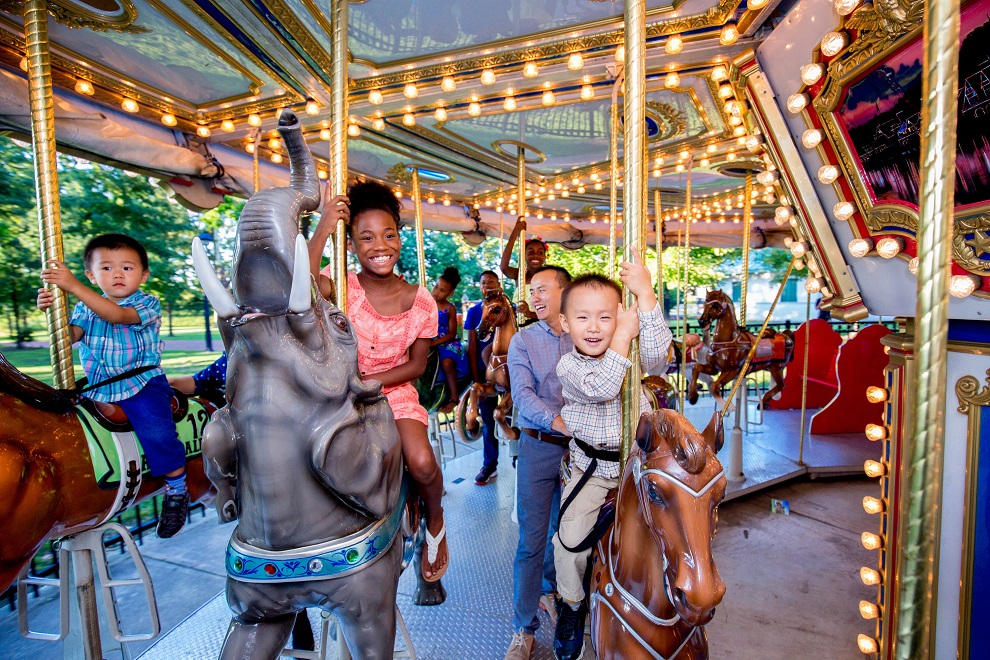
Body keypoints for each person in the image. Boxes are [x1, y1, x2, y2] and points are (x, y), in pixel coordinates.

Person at [309, 180, 449, 583]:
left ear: (400, 238)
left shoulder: (420, 299)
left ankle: (436, 523)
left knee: (421, 461)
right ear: (350, 244)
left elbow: (418, 365)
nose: (379, 245)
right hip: (341, 392)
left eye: (388, 234)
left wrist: (370, 380)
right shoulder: (341, 287)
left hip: (393, 392)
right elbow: (300, 282)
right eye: (365, 237)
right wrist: (323, 229)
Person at [550, 249, 672, 660]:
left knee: (680, 524)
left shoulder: (631, 350)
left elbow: (658, 357)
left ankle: (675, 592)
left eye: (606, 316)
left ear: (618, 315)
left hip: (638, 464)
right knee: (568, 544)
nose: (595, 327)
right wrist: (622, 336)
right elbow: (603, 386)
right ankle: (571, 605)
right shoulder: (569, 366)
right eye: (582, 317)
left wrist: (647, 297)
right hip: (594, 471)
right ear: (565, 324)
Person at [36, 233, 189, 538]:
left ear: (143, 275)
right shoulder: (82, 307)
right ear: (92, 275)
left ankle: (176, 488)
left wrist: (74, 287)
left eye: (127, 268)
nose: (117, 274)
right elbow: (69, 339)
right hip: (97, 388)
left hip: (141, 384)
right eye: (106, 268)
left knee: (157, 432)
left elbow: (116, 316)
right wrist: (51, 314)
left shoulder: (147, 303)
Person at [504, 265, 573, 660]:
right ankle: (523, 627)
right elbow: (524, 396)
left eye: (542, 289)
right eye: (531, 290)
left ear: (563, 291)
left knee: (567, 535)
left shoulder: (584, 333)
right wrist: (559, 421)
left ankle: (559, 596)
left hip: (579, 448)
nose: (535, 296)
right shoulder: (524, 340)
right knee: (532, 539)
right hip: (540, 445)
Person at [464, 270, 503, 484]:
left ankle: (518, 459)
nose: (487, 285)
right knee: (488, 421)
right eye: (483, 282)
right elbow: (472, 346)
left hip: (506, 374)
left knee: (510, 418)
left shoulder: (508, 308)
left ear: (498, 284)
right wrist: (476, 376)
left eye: (491, 281)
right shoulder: (473, 312)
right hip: (484, 373)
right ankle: (490, 465)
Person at [431, 266, 469, 414]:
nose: (436, 292)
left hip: (447, 342)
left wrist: (434, 342)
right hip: (430, 339)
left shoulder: (449, 308)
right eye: (436, 287)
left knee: (447, 363)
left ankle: (454, 398)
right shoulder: (427, 303)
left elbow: (452, 333)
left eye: (442, 290)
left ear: (450, 293)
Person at [500, 218, 548, 321]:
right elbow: (504, 267)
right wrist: (514, 234)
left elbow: (553, 310)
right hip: (521, 326)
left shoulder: (550, 277)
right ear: (524, 255)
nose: (535, 255)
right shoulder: (520, 275)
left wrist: (530, 314)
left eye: (540, 253)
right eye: (531, 252)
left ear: (545, 257)